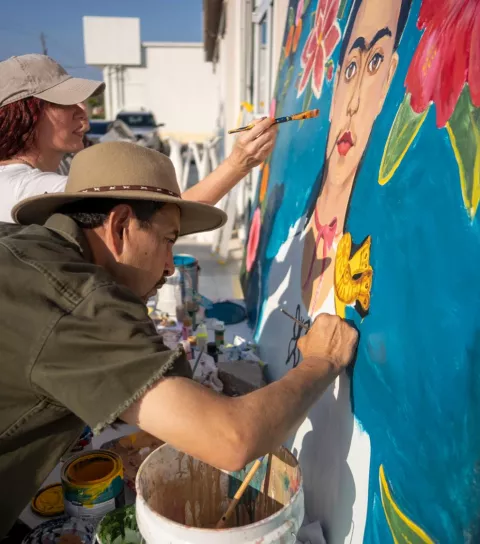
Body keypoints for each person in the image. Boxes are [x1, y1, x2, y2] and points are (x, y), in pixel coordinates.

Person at [0, 141, 358, 536]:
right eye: (169, 240)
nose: (171, 266)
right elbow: (232, 439)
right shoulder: (76, 298)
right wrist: (322, 361)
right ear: (120, 227)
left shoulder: (23, 247)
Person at [0, 54, 277, 222]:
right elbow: (165, 217)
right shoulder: (31, 191)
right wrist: (239, 164)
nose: (82, 110)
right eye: (64, 102)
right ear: (25, 114)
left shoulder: (34, 177)